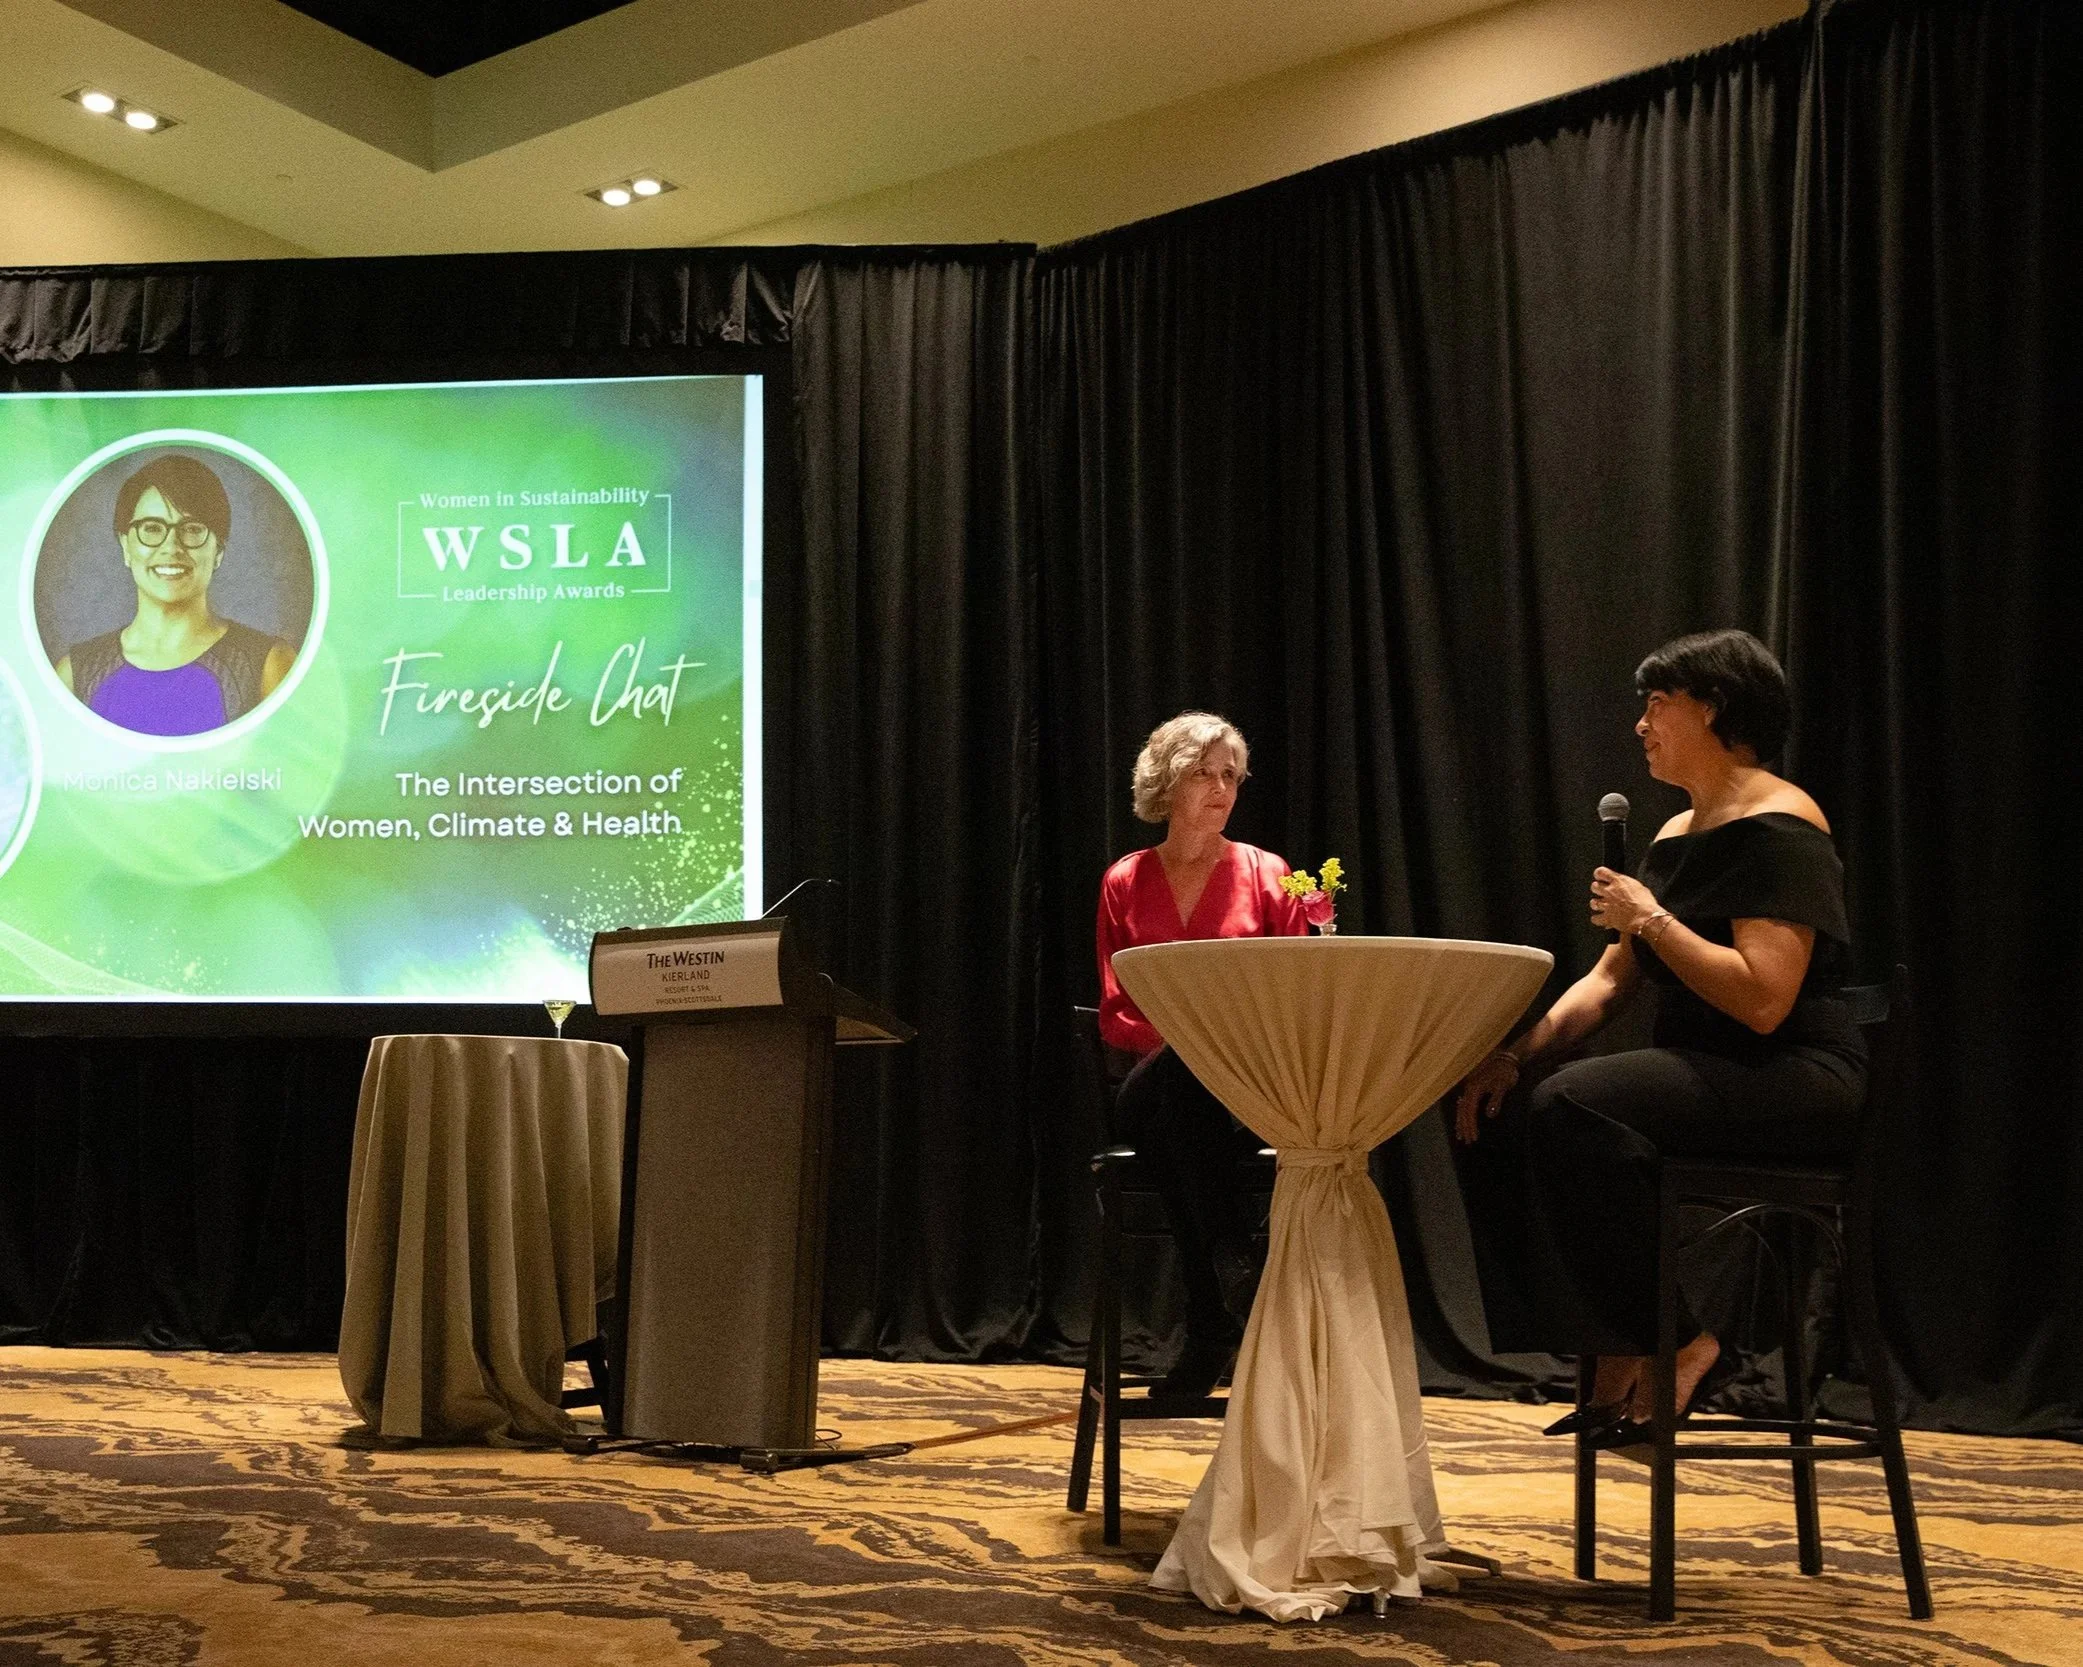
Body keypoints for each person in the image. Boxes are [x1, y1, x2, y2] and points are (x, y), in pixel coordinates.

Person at [1454, 629, 1865, 1431]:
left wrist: (1651, 917)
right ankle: (1607, 1345)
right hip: (1713, 1070)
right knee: (1494, 1107)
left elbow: (1763, 998)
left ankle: (1678, 1340)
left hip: (1793, 1074)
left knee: (1573, 1104)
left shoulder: (1781, 822)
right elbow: (1611, 979)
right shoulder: (1674, 835)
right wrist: (1509, 1054)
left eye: (1656, 704)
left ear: (1712, 707)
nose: (1640, 725)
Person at [1096, 711, 1310, 1397]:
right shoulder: (1124, 880)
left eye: (1230, 776)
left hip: (1247, 1090)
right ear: (1166, 784)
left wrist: (1220, 1047)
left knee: (1180, 1129)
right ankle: (1232, 1258)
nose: (1221, 789)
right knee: (1181, 1083)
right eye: (1203, 773)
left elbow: (1297, 992)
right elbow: (1116, 1006)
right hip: (1152, 1079)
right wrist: (1186, 1043)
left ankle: (1211, 1319)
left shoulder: (1268, 873)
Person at [57, 455, 294, 736]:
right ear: (126, 547)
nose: (171, 547)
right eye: (151, 528)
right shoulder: (76, 674)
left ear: (218, 551)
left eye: (192, 529)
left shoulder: (268, 665)